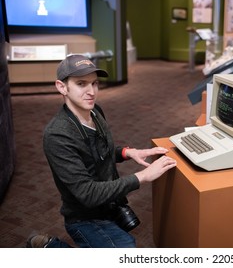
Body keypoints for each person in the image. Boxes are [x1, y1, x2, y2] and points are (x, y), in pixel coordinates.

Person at [27, 54, 177, 248]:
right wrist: (143, 176)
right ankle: (50, 247)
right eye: (81, 84)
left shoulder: (95, 111)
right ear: (62, 87)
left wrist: (127, 153)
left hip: (111, 204)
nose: (91, 91)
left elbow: (97, 153)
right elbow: (87, 193)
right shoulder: (57, 135)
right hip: (85, 217)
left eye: (95, 83)